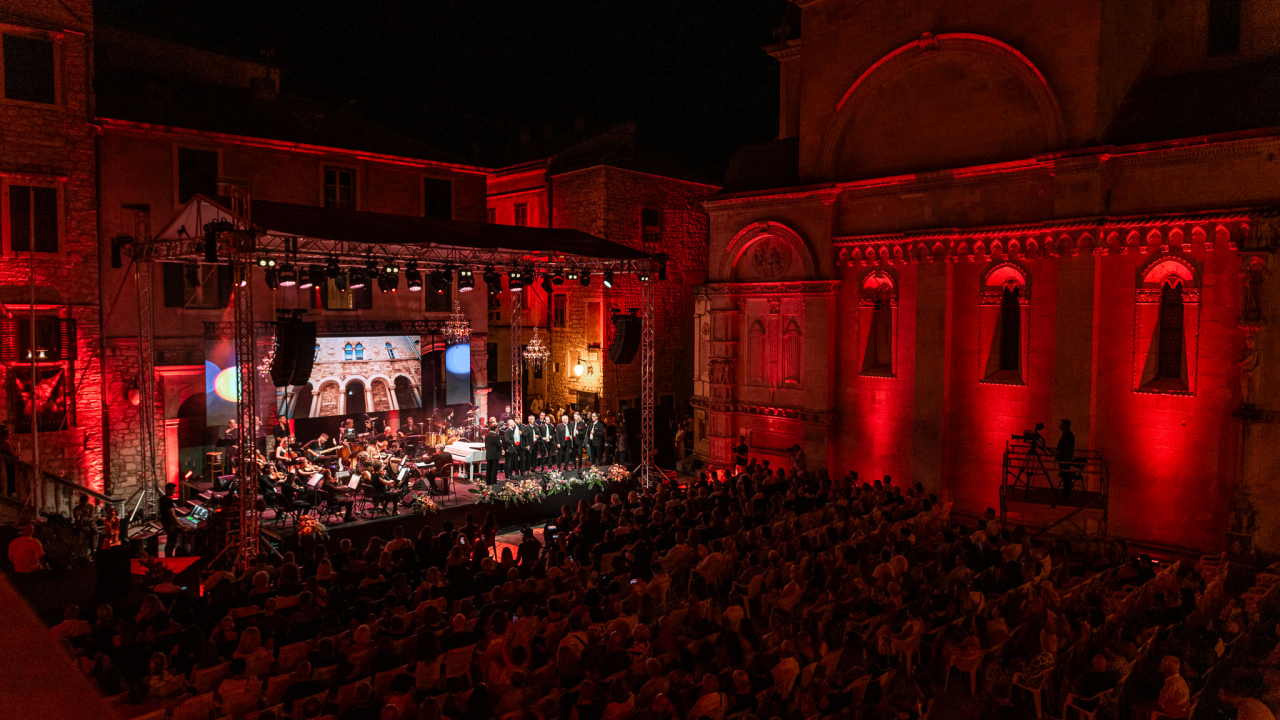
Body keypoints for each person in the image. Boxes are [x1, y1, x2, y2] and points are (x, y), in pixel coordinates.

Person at [158, 482, 183, 557]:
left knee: (169, 541)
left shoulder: (162, 499)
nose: (174, 492)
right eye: (173, 490)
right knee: (171, 542)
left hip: (165, 523)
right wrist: (179, 524)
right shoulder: (168, 501)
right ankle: (169, 557)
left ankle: (168, 556)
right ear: (168, 490)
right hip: (170, 525)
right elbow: (172, 515)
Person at [1056, 418, 1079, 498]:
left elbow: (1065, 448)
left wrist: (1058, 452)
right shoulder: (1068, 434)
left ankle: (1066, 493)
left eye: (1061, 424)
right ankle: (1066, 492)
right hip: (1064, 458)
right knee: (1065, 476)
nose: (1060, 426)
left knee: (1065, 476)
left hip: (1064, 459)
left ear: (1065, 425)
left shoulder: (1067, 435)